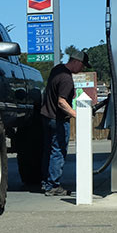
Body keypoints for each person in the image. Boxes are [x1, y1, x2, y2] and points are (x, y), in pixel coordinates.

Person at [39, 48, 90, 196]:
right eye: (82, 65)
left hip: (46, 116)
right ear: (77, 62)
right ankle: (53, 185)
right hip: (58, 120)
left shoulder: (56, 69)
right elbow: (61, 102)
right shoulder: (67, 79)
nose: (82, 69)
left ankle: (46, 182)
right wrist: (78, 115)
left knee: (48, 150)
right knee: (58, 152)